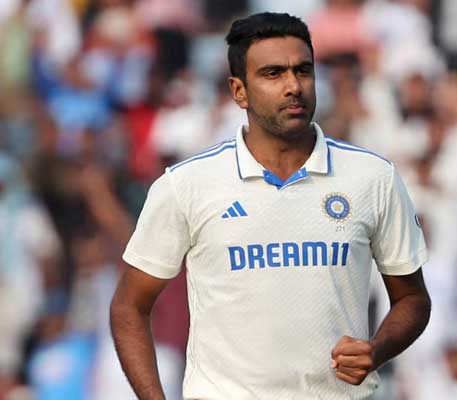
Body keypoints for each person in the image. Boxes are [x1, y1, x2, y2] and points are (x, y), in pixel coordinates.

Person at [110, 12, 431, 400]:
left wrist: (376, 350)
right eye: (273, 74)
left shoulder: (372, 177)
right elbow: (129, 305)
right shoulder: (186, 185)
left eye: (303, 70)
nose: (293, 86)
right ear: (238, 90)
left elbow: (412, 298)